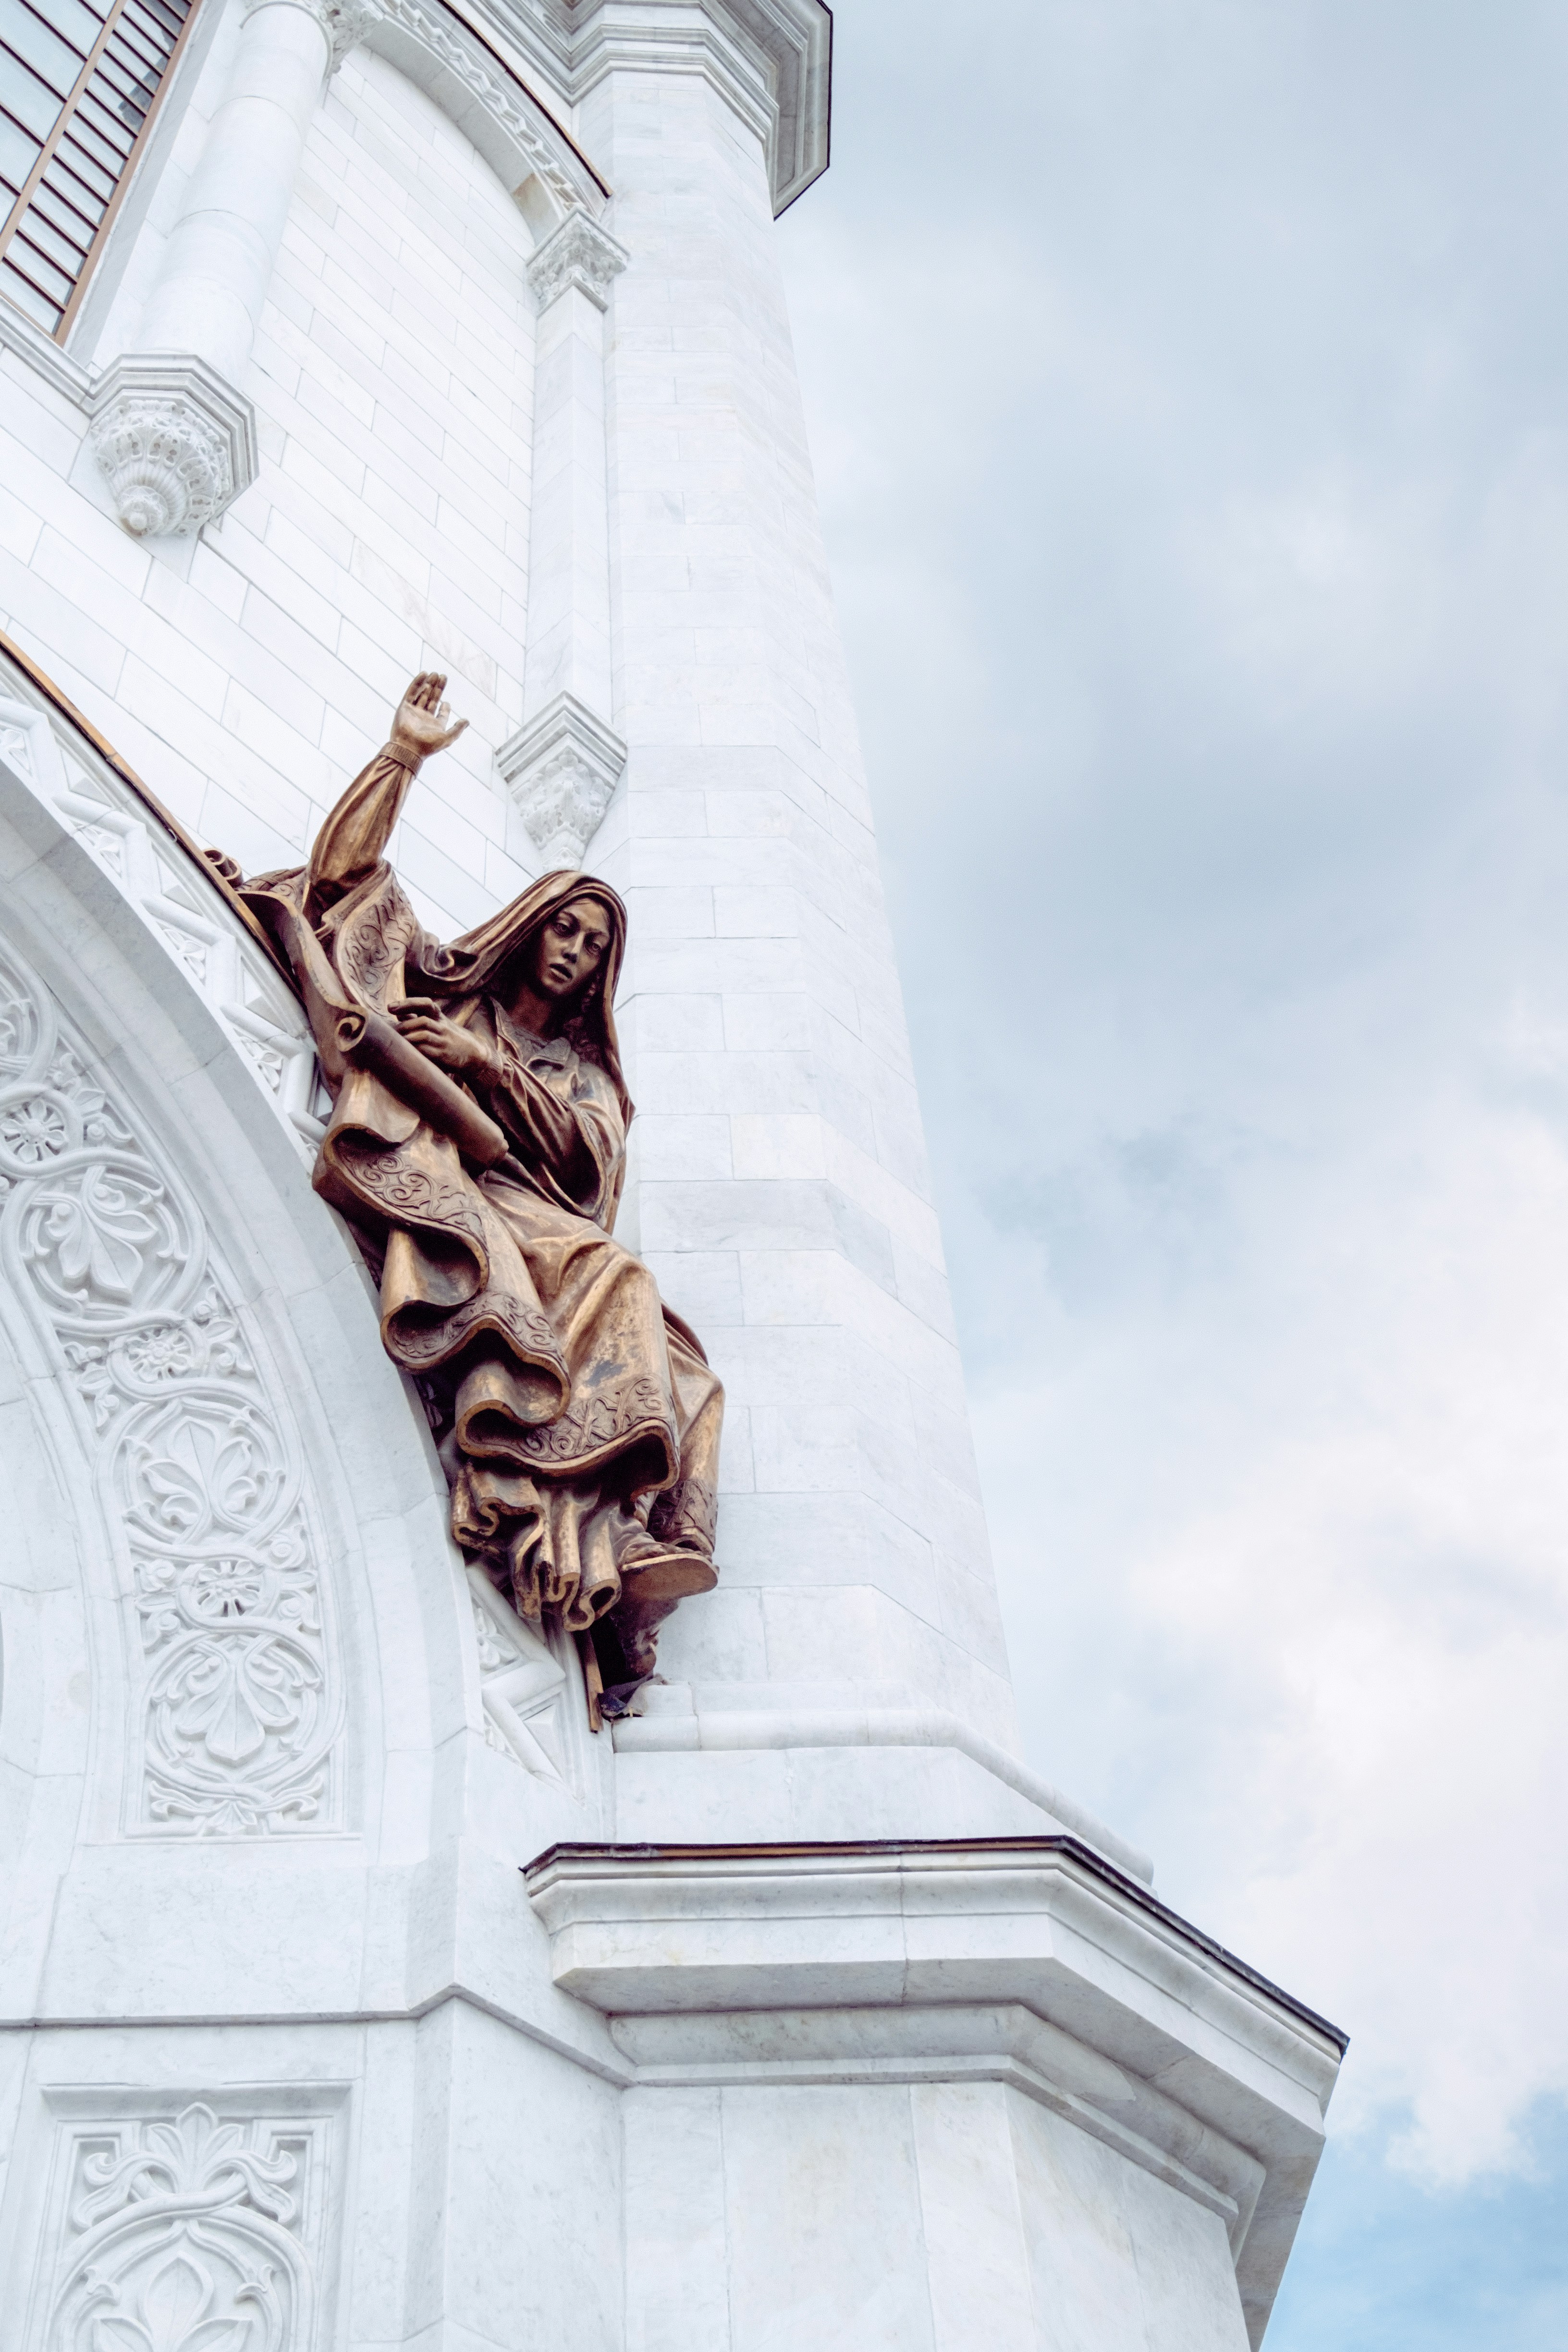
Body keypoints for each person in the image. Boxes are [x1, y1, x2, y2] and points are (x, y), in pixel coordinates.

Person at [238, 674, 722, 1715]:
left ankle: (634, 1538)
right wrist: (402, 757)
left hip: (538, 1206)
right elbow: (343, 883)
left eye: (595, 949)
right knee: (618, 1277)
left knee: (691, 1371)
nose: (576, 951)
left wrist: (489, 1069)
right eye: (566, 931)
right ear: (533, 925)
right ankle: (579, 1507)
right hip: (470, 1181)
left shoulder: (582, 1069)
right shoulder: (449, 985)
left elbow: (587, 1159)